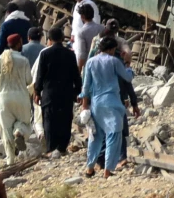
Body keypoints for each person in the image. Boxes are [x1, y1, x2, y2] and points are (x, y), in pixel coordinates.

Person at [89, 19, 140, 169]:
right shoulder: (116, 57)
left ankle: (102, 161)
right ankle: (116, 159)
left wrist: (85, 100)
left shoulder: (96, 55)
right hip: (116, 98)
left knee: (104, 130)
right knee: (117, 128)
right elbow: (128, 80)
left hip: (101, 98)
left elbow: (87, 80)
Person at [81, 37, 132, 178]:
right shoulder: (114, 61)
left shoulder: (90, 62)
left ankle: (90, 168)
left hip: (96, 104)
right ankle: (107, 171)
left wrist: (85, 106)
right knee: (113, 135)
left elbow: (85, 87)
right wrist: (128, 66)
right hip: (112, 103)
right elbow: (127, 77)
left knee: (95, 137)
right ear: (110, 49)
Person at [33, 28, 82, 155]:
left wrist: (37, 92)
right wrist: (78, 91)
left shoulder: (45, 54)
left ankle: (51, 147)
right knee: (65, 119)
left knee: (49, 119)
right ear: (62, 38)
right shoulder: (70, 54)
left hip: (49, 94)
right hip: (66, 93)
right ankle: (62, 147)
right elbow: (76, 75)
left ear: (49, 40)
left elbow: (40, 75)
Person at [0, 34, 33, 165]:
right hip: (21, 97)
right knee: (25, 123)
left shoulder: (0, 59)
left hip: (3, 98)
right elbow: (29, 80)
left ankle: (10, 160)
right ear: (18, 44)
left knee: (5, 129)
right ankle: (19, 132)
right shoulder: (23, 60)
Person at [73, 4, 104, 72]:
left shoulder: (81, 32)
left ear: (82, 17)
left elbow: (82, 54)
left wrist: (79, 69)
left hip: (89, 65)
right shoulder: (102, 28)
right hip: (102, 64)